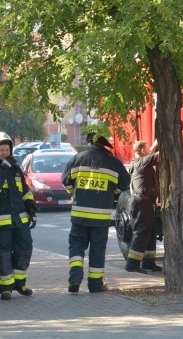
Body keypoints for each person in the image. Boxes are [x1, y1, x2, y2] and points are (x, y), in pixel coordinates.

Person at [61, 124, 130, 293]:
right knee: (98, 250)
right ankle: (95, 285)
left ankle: (75, 279)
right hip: (101, 217)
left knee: (76, 247)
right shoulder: (114, 163)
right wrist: (109, 194)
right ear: (105, 142)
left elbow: (65, 181)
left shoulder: (77, 159)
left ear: (90, 141)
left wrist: (75, 193)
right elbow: (124, 185)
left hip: (79, 215)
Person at [0, 131, 38, 300]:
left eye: (7, 150)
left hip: (20, 219)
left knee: (25, 248)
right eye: (1, 150)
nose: (5, 153)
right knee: (3, 254)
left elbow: (24, 191)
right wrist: (2, 168)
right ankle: (6, 287)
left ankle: (20, 283)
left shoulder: (16, 169)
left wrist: (32, 210)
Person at [125, 139, 161, 273]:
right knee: (141, 232)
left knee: (151, 232)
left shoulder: (139, 162)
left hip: (144, 202)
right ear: (141, 151)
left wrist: (155, 144)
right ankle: (132, 264)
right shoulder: (142, 162)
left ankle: (148, 262)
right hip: (141, 203)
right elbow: (158, 156)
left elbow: (152, 152)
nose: (150, 151)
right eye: (147, 149)